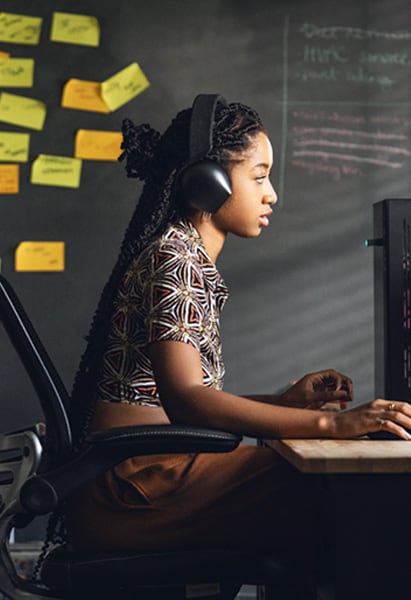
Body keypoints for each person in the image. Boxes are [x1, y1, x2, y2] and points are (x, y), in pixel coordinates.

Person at [63, 94, 411, 588]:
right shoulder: (175, 260)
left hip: (137, 476)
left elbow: (171, 406)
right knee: (343, 492)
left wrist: (282, 403)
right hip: (136, 487)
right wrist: (334, 424)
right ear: (211, 182)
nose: (271, 194)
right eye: (260, 175)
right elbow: (187, 402)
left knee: (333, 497)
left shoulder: (180, 254)